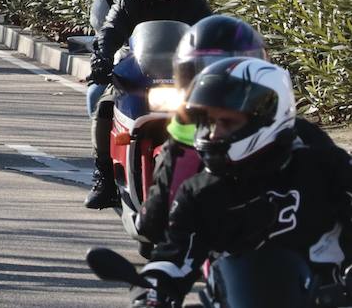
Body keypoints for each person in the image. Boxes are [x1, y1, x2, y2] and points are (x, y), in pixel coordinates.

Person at [135, 59, 352, 308]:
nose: (214, 134)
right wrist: (152, 291)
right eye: (209, 122)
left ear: (266, 117)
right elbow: (175, 255)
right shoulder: (199, 192)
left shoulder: (326, 167)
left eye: (227, 122)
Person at [86, 0, 212, 209]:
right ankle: (104, 176)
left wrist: (221, 61)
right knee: (105, 106)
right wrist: (102, 58)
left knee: (216, 117)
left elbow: (212, 36)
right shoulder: (127, 1)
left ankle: (216, 176)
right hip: (136, 74)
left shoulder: (195, 4)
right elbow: (109, 32)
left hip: (184, 78)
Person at [135, 14, 274, 246]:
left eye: (233, 70)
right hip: (219, 262)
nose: (219, 84)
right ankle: (104, 177)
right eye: (206, 70)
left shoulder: (288, 132)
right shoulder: (184, 138)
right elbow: (155, 224)